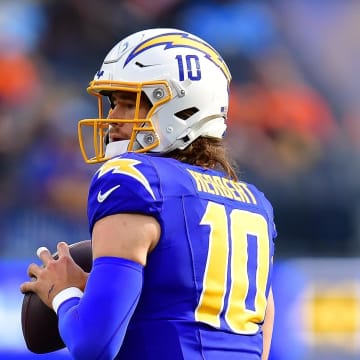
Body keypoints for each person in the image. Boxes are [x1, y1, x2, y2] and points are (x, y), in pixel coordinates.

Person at [20, 28, 276, 359]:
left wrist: (63, 293)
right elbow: (255, 341)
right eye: (114, 103)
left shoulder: (134, 179)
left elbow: (92, 345)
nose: (112, 118)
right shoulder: (255, 202)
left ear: (183, 108)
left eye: (130, 104)